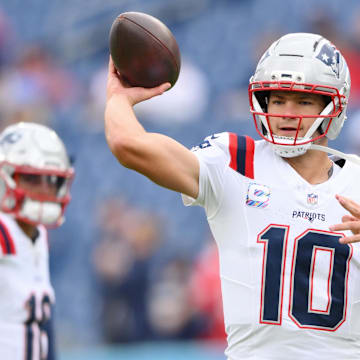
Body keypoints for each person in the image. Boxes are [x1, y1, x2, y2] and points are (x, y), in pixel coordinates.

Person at [104, 32, 360, 359]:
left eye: (303, 100)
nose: (286, 112)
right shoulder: (236, 160)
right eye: (278, 99)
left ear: (333, 106)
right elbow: (130, 146)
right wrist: (117, 99)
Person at [0, 122, 74, 360]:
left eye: (51, 180)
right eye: (32, 178)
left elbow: (41, 322)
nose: (43, 189)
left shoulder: (37, 234)